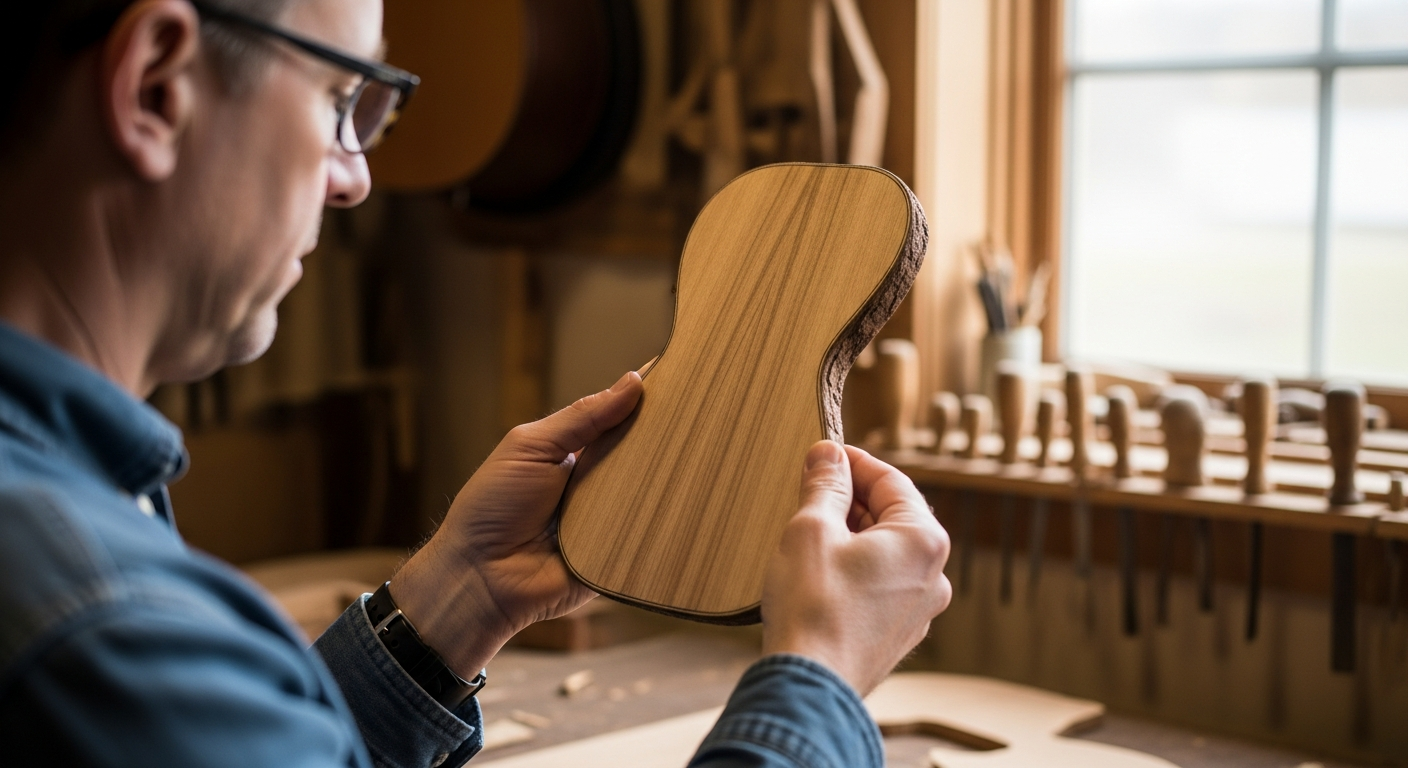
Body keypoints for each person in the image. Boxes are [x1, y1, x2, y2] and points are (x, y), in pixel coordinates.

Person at [0, 0, 953, 766]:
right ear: (156, 87)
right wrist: (819, 683)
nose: (356, 179)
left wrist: (456, 602)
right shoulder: (107, 626)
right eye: (344, 100)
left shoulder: (85, 520)